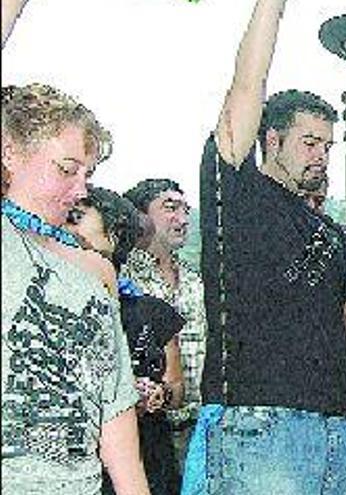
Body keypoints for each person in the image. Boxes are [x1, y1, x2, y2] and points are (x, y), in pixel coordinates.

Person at [195, 0, 346, 492]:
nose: (322, 155)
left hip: (342, 428)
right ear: (270, 140)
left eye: (327, 144)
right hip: (260, 425)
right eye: (310, 142)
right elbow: (246, 86)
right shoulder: (237, 192)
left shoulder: (331, 232)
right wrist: (271, 8)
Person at [1, 82, 148, 493]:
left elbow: (114, 408)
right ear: (10, 152)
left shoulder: (96, 271)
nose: (81, 189)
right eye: (66, 169)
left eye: (88, 174)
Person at [67, 185, 187, 495]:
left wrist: (155, 392)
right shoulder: (51, 308)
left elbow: (176, 389)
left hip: (146, 461)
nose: (64, 226)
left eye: (76, 217)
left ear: (114, 235)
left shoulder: (152, 312)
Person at [120, 178, 206, 473]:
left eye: (185, 209)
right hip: (146, 432)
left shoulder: (197, 278)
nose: (182, 219)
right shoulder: (122, 278)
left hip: (201, 427)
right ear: (140, 217)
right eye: (170, 208)